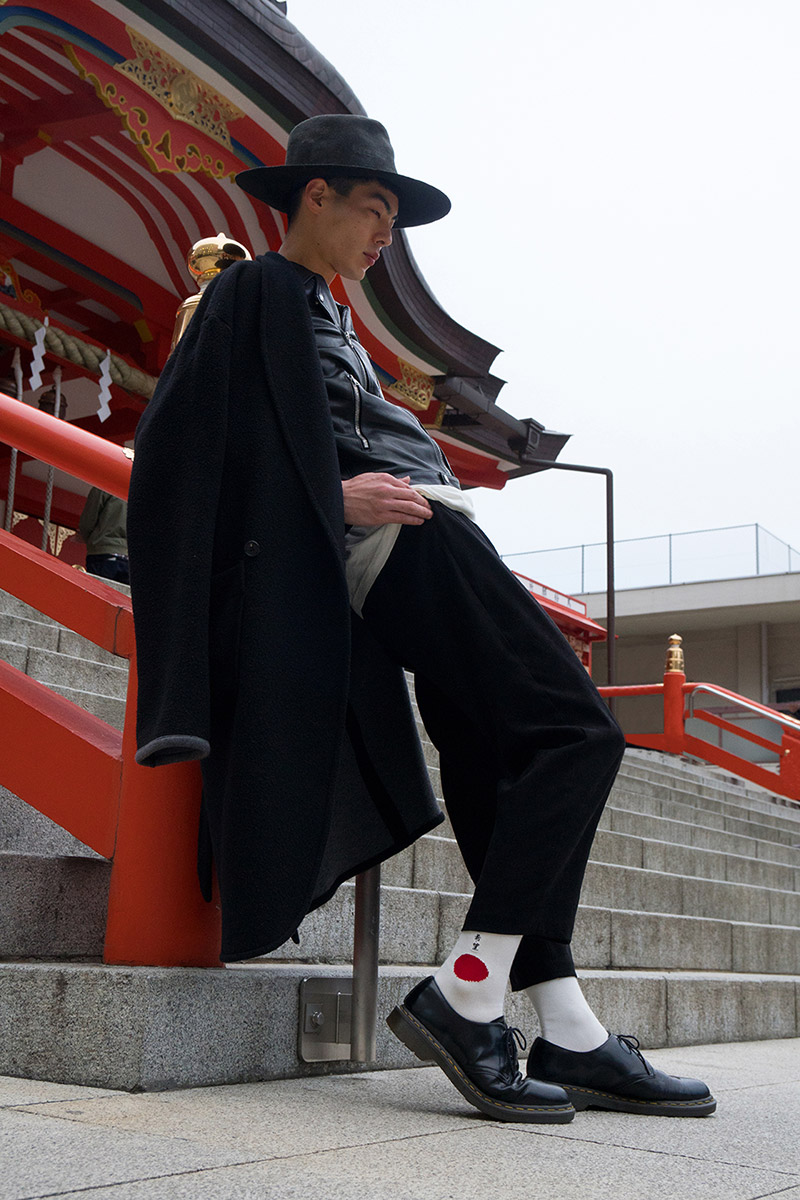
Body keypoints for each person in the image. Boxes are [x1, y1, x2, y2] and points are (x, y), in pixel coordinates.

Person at [128, 115, 715, 1123]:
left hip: (419, 536)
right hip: (403, 542)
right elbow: (178, 454)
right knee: (578, 733)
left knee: (499, 754)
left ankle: (566, 1027)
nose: (383, 236)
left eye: (393, 220)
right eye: (373, 209)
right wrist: (331, 494)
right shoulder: (251, 290)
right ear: (314, 195)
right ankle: (467, 993)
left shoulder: (324, 310)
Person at [78, 487, 129, 583]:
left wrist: (90, 539)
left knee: (98, 590)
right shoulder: (142, 491)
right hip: (129, 559)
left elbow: (87, 523)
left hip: (103, 552)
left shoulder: (105, 485)